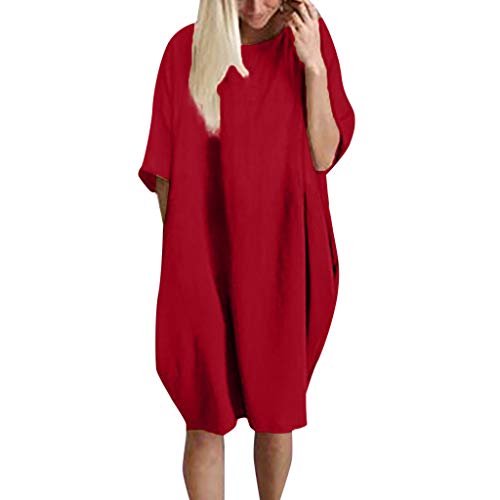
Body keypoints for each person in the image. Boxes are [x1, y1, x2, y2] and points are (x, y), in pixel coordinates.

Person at [137, 0, 355, 497]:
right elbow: (164, 172)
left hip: (282, 258)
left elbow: (324, 153)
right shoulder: (184, 51)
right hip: (204, 261)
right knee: (203, 415)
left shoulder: (308, 42)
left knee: (275, 415)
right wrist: (184, 261)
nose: (255, 7)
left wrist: (315, 66)